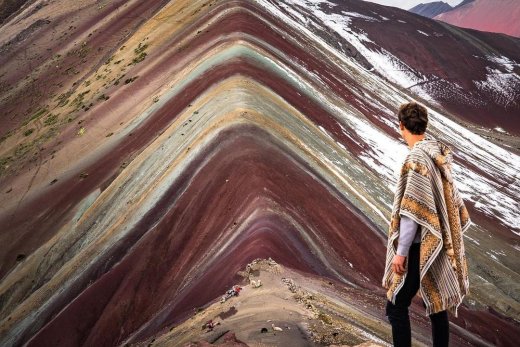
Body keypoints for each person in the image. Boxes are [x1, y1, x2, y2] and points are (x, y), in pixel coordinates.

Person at [382, 102, 472, 347]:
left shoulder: (416, 160)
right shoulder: (436, 155)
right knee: (436, 302)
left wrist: (400, 253)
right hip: (437, 241)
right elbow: (451, 200)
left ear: (401, 126)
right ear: (424, 125)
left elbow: (411, 212)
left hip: (418, 245)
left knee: (396, 305)